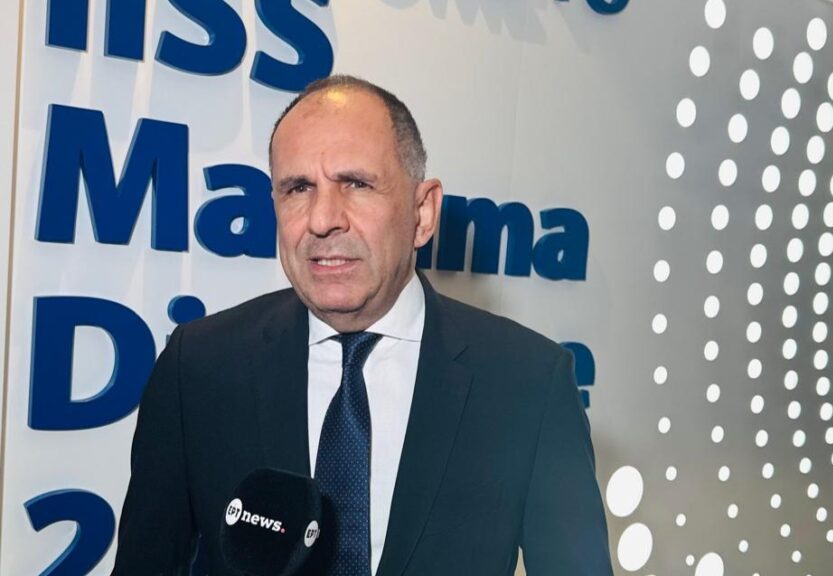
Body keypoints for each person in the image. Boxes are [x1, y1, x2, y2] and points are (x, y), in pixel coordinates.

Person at [112, 75, 613, 576]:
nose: (323, 219)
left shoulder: (528, 381)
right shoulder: (198, 367)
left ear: (422, 212)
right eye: (298, 188)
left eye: (356, 184)